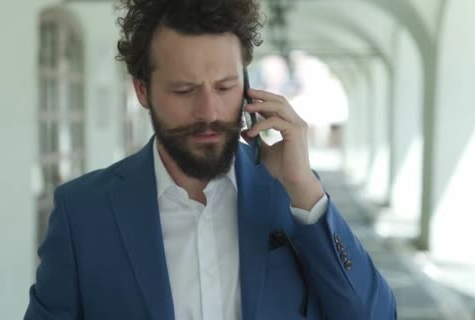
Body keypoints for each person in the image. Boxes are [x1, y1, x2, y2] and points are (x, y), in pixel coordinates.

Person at [24, 0, 397, 319]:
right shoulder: (83, 212)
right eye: (184, 90)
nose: (209, 111)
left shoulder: (292, 193)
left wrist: (306, 192)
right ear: (143, 90)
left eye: (224, 87)